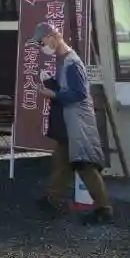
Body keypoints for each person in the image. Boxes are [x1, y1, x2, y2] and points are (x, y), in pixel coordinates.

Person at [32, 21, 114, 225]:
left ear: (52, 37)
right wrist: (51, 83)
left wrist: (52, 93)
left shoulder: (72, 62)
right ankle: (53, 199)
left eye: (42, 42)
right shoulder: (63, 60)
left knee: (84, 164)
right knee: (62, 159)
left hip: (78, 120)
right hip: (70, 120)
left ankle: (104, 208)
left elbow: (79, 94)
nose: (42, 47)